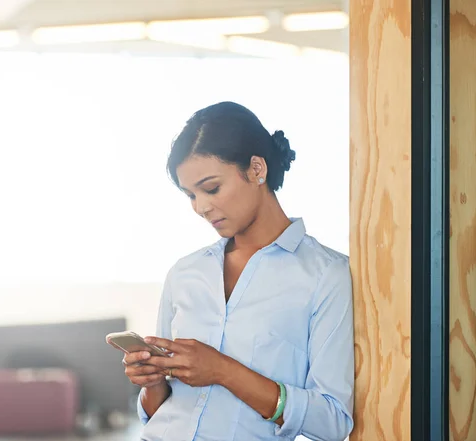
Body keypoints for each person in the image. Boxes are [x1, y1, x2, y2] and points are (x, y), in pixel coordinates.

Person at [122, 101, 354, 441]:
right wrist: (153, 382)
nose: (201, 207)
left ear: (257, 169)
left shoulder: (325, 276)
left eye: (211, 188)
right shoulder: (185, 273)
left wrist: (222, 370)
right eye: (190, 195)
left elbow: (332, 421)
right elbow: (161, 413)